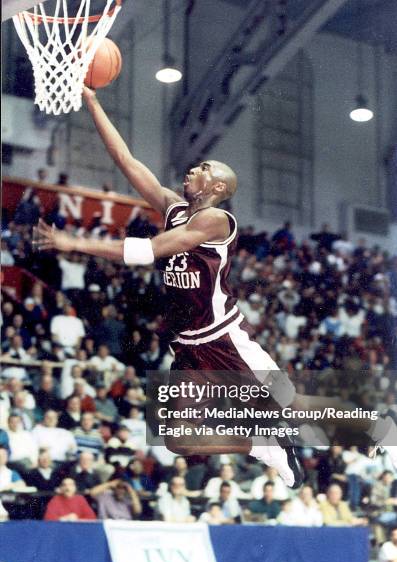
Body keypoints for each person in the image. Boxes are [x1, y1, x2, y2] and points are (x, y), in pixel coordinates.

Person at [33, 86, 397, 487]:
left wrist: (74, 243)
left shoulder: (216, 221)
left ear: (218, 188)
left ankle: (375, 424)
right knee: (178, 440)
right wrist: (94, 103)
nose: (193, 169)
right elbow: (127, 160)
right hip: (188, 347)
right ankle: (262, 445)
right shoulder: (174, 209)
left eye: (204, 167)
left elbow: (151, 250)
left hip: (223, 338)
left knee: (290, 405)